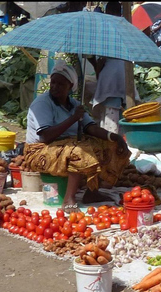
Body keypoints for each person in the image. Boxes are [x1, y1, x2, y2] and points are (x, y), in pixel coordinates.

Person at [24, 61, 131, 213]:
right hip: (39, 150)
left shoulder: (74, 104)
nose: (54, 86)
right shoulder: (42, 103)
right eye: (53, 82)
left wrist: (114, 137)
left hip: (64, 145)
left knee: (106, 145)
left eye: (60, 84)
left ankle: (92, 191)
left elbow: (90, 128)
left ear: (70, 87)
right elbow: (46, 136)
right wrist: (73, 118)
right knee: (80, 152)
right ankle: (68, 200)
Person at [87, 1, 138, 134]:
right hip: (124, 69)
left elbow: (100, 58)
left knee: (110, 108)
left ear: (107, 11)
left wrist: (98, 69)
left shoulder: (104, 28)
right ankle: (125, 135)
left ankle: (111, 137)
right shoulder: (126, 27)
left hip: (109, 73)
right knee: (127, 106)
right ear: (120, 12)